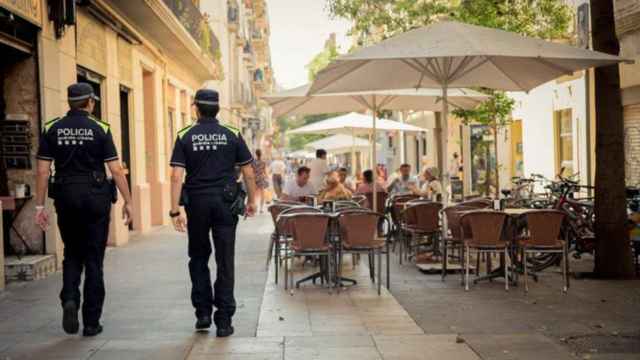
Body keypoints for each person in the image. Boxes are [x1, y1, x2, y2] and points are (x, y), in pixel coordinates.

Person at [34, 83, 133, 337]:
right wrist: (128, 201)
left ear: (69, 102)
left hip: (66, 196)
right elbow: (116, 169)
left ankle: (69, 298)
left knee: (72, 254)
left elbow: (43, 171)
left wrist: (39, 206)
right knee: (94, 259)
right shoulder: (101, 128)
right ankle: (91, 322)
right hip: (95, 197)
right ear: (90, 102)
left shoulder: (51, 128)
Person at [169, 89, 257, 337]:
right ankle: (225, 320)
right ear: (218, 109)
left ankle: (203, 313)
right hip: (226, 202)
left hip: (196, 203)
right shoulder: (232, 133)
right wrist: (251, 200)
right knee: (225, 259)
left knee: (198, 257)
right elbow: (248, 172)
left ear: (196, 108)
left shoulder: (185, 135)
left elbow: (177, 175)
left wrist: (174, 210)